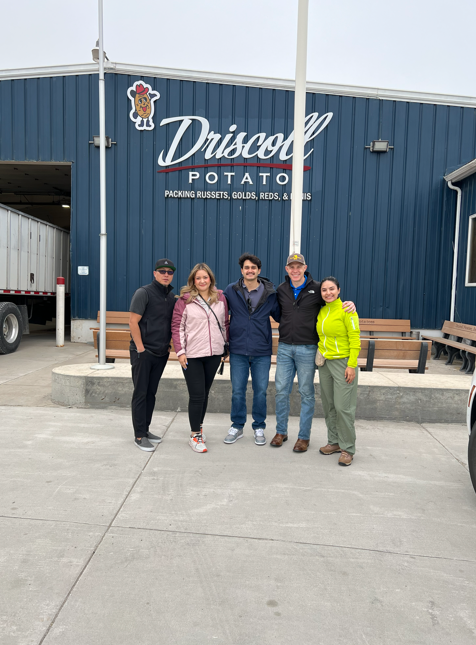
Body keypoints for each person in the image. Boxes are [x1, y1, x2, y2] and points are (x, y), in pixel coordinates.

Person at [271, 253, 355, 453]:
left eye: (298, 266)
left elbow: (333, 302)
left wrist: (349, 303)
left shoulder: (317, 289)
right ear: (287, 269)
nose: (295, 270)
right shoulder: (281, 289)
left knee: (306, 393)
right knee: (281, 390)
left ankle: (303, 437)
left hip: (308, 348)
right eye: (291, 267)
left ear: (305, 268)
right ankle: (281, 432)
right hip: (285, 347)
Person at [223, 253, 281, 446]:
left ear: (259, 270)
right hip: (238, 349)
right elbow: (216, 307)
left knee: (260, 391)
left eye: (253, 268)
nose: (250, 271)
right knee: (237, 391)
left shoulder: (270, 293)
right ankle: (237, 425)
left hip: (261, 350)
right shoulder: (231, 290)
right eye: (246, 267)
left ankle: (259, 427)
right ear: (242, 270)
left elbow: (283, 315)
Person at [172, 263, 229, 453]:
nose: (202, 281)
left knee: (204, 393)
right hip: (192, 355)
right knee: (196, 395)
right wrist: (180, 352)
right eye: (198, 278)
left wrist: (225, 345)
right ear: (193, 281)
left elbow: (225, 323)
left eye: (205, 277)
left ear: (210, 279)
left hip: (214, 354)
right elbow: (177, 327)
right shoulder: (185, 301)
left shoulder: (220, 298)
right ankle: (195, 434)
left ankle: (199, 427)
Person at [129, 259, 176, 451]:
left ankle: (146, 430)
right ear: (155, 273)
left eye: (170, 272)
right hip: (143, 352)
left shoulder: (171, 297)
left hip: (160, 353)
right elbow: (133, 321)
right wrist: (140, 349)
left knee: (151, 393)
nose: (166, 274)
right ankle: (139, 435)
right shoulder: (144, 293)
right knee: (140, 393)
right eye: (162, 271)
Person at [317, 277, 360, 466]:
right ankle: (334, 441)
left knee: (343, 407)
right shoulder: (322, 311)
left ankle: (347, 448)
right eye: (324, 290)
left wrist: (351, 364)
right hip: (325, 363)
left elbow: (355, 338)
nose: (328, 293)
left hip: (343, 363)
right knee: (329, 405)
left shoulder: (347, 310)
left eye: (331, 289)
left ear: (339, 290)